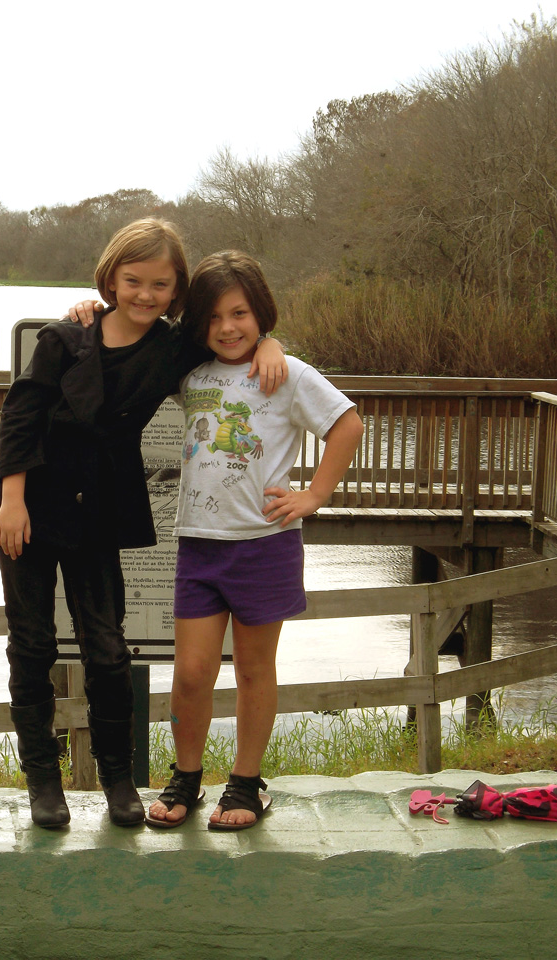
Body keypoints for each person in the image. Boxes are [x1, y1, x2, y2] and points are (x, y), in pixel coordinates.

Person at [0, 220, 288, 829]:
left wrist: (270, 342)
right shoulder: (67, 337)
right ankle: (44, 783)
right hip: (30, 504)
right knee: (32, 647)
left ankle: (119, 782)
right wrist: (12, 500)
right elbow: (21, 415)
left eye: (160, 285)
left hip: (99, 509)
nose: (145, 294)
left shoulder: (173, 348)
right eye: (133, 280)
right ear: (111, 279)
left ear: (177, 294)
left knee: (109, 650)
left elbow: (235, 338)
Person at [144, 250, 363, 830]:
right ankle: (186, 778)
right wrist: (92, 310)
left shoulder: (285, 372)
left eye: (240, 314)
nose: (227, 328)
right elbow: (135, 339)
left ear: (259, 312)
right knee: (191, 672)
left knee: (252, 670)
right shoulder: (189, 372)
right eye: (214, 318)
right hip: (199, 545)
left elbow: (347, 424)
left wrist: (314, 495)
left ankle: (244, 785)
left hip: (265, 544)